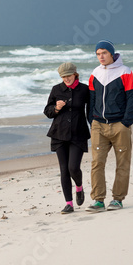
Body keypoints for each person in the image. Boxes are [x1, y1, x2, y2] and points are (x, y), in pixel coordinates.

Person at [86, 40, 133, 212]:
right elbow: (92, 99)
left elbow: (132, 98)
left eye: (104, 53)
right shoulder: (95, 73)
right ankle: (98, 200)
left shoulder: (125, 72)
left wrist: (126, 123)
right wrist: (92, 120)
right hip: (98, 126)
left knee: (122, 163)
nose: (101, 56)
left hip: (119, 125)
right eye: (98, 54)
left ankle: (117, 199)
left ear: (111, 54)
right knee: (97, 163)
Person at [43, 62, 91, 214]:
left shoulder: (84, 89)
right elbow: (47, 111)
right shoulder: (56, 89)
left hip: (78, 133)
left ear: (75, 74)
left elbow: (91, 110)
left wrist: (96, 126)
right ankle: (69, 204)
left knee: (73, 168)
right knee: (64, 169)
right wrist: (56, 108)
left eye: (69, 76)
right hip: (59, 134)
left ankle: (79, 187)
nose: (66, 79)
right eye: (63, 77)